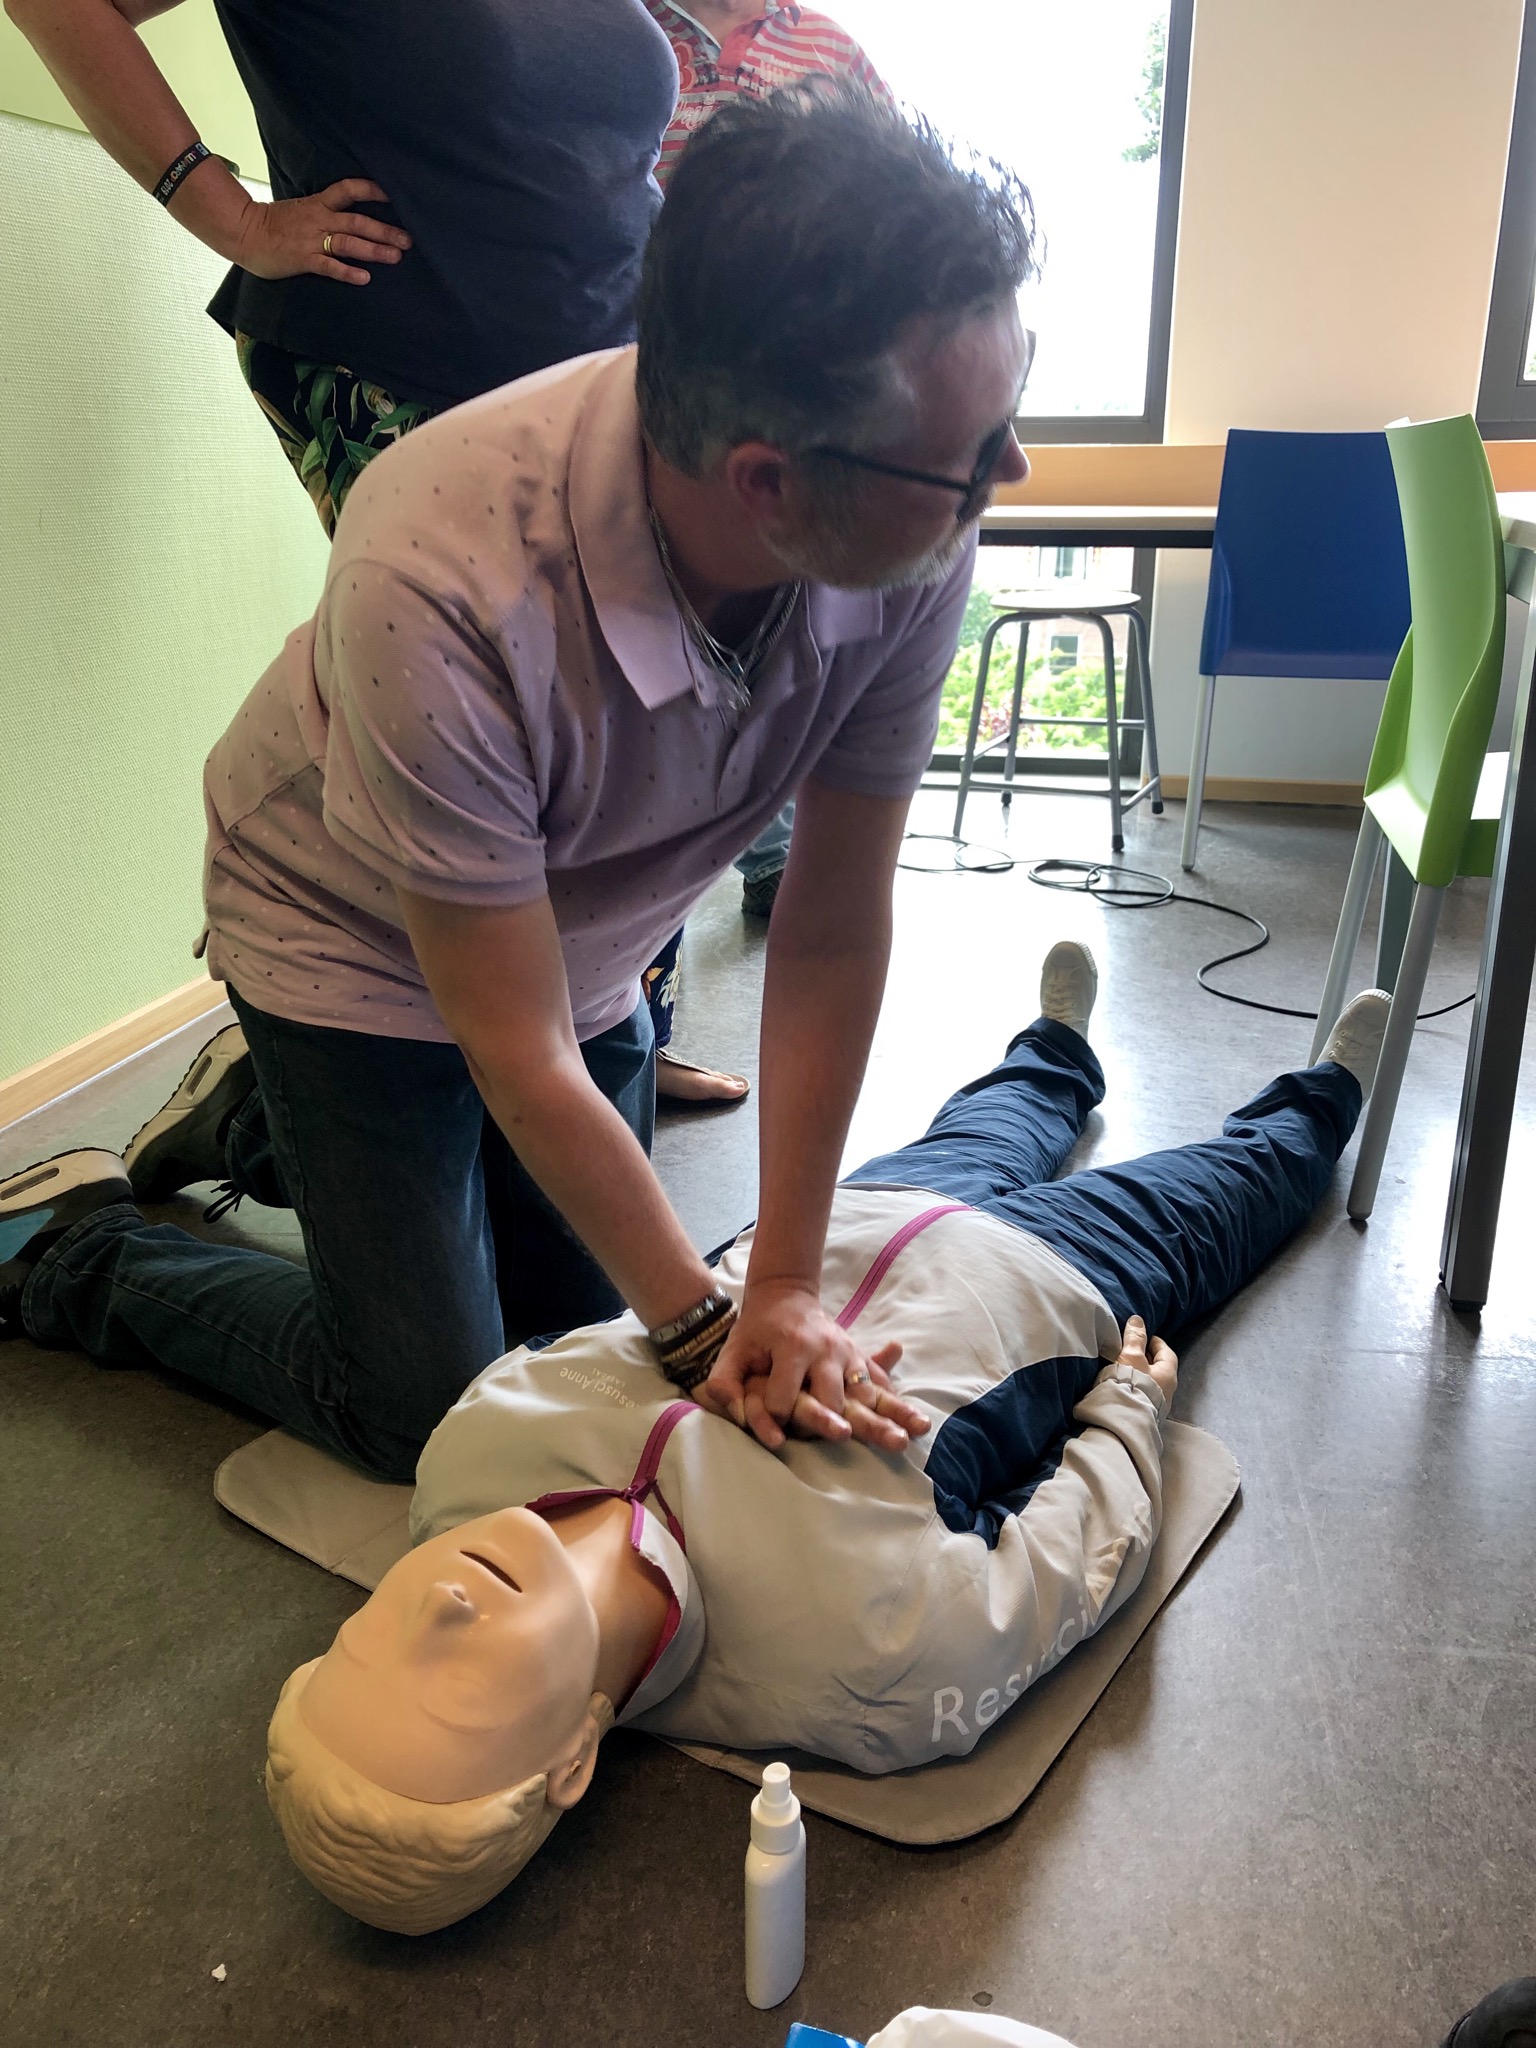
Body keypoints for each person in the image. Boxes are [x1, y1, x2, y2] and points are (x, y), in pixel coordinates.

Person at [0, 89, 1038, 1484]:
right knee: (431, 1410)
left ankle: (267, 1120)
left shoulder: (906, 527)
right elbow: (514, 1043)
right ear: (768, 482)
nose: (1009, 476)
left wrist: (781, 1284)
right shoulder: (437, 573)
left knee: (566, 1357)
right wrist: (697, 1327)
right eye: (974, 461)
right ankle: (79, 1238)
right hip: (345, 931)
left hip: (578, 948)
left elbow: (833, 923)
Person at [258, 954, 1394, 1933]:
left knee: (998, 1111)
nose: (436, 1608)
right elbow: (1068, 1561)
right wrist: (1128, 1414)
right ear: (571, 1763)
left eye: (366, 1634)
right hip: (1055, 1286)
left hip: (835, 1224)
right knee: (1252, 1182)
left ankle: (1057, 1046)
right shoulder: (875, 1669)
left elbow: (595, 1329)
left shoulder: (464, 1459)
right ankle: (1327, 1093)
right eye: (444, 1688)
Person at [644, 0, 896, 922]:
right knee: (660, 648)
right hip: (650, 394)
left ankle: (775, 853)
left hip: (798, 399)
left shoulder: (829, 47)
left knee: (778, 629)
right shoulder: (611, 33)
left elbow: (895, 215)